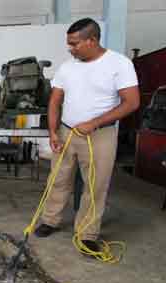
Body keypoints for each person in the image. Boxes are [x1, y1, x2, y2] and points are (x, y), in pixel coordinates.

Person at [34, 18, 140, 252]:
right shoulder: (67, 66)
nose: (70, 49)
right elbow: (55, 101)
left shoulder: (119, 64)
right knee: (58, 179)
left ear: (92, 40)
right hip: (66, 131)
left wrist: (95, 122)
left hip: (100, 136)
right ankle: (50, 220)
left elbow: (132, 102)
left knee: (95, 186)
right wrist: (53, 131)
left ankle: (87, 232)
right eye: (69, 44)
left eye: (75, 44)